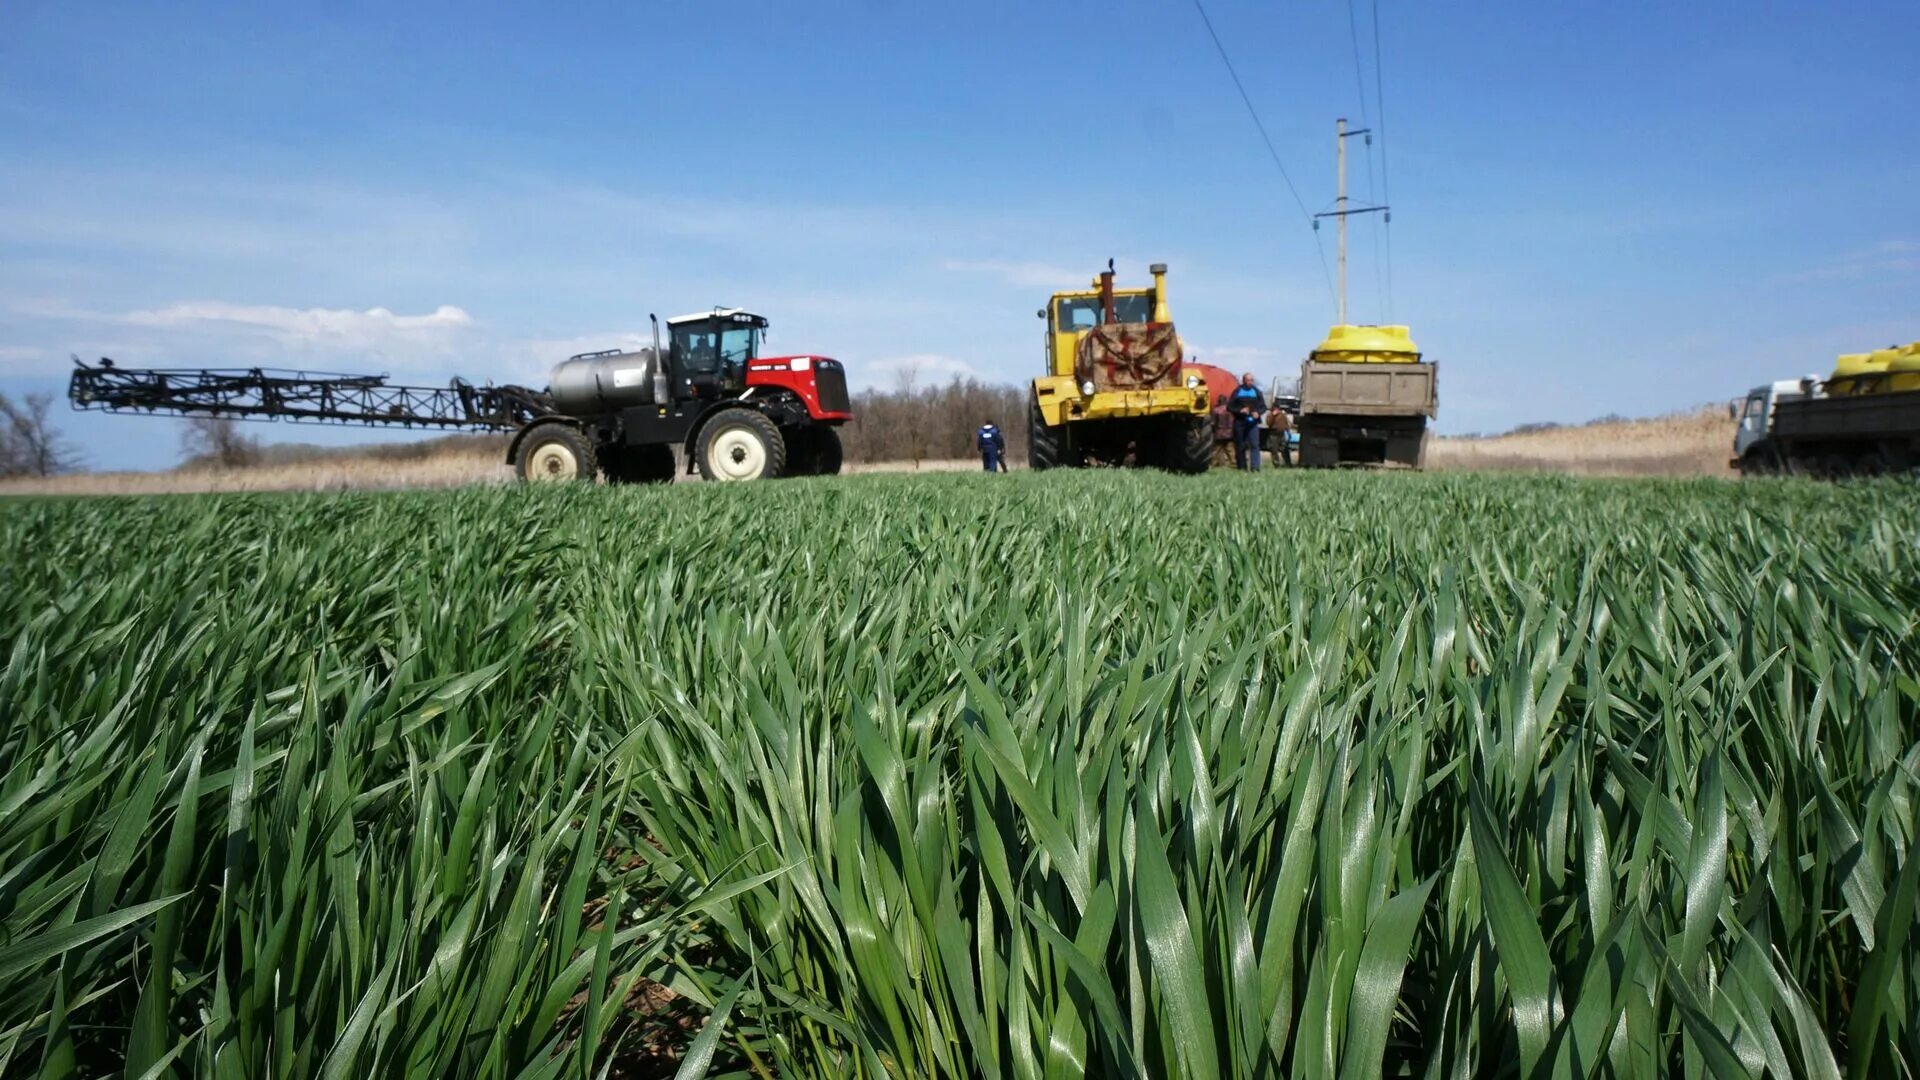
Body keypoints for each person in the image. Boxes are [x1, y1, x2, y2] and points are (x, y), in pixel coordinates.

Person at [1228, 372, 1266, 471]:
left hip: (1253, 422)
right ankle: (1242, 468)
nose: (1250, 382)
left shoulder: (1256, 392)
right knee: (1240, 445)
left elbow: (1263, 407)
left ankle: (1255, 468)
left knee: (1254, 445)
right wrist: (1239, 410)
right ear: (1243, 380)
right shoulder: (1237, 391)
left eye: (1251, 380)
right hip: (1240, 422)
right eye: (1248, 380)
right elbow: (1229, 406)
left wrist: (1258, 413)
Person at [1267, 402, 1293, 467]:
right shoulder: (1270, 415)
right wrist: (1273, 415)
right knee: (1274, 450)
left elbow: (1286, 423)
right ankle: (1276, 464)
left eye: (1277, 408)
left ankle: (1288, 463)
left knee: (1284, 449)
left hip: (1281, 434)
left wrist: (1288, 431)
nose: (1276, 409)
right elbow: (1269, 423)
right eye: (1274, 408)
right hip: (1273, 434)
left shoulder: (1282, 414)